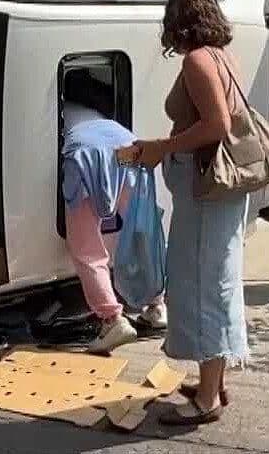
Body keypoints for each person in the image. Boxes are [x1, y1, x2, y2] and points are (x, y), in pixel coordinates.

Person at [121, 0, 249, 427]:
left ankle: (207, 400)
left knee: (202, 286)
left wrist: (163, 147)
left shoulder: (198, 61)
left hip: (206, 193)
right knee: (216, 280)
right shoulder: (221, 55)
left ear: (180, 24)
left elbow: (216, 125)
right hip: (217, 194)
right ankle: (213, 382)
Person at [60, 69, 167, 354]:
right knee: (139, 229)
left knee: (86, 247)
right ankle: (156, 306)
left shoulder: (58, 111)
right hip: (126, 145)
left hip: (85, 155)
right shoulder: (95, 111)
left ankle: (111, 319)